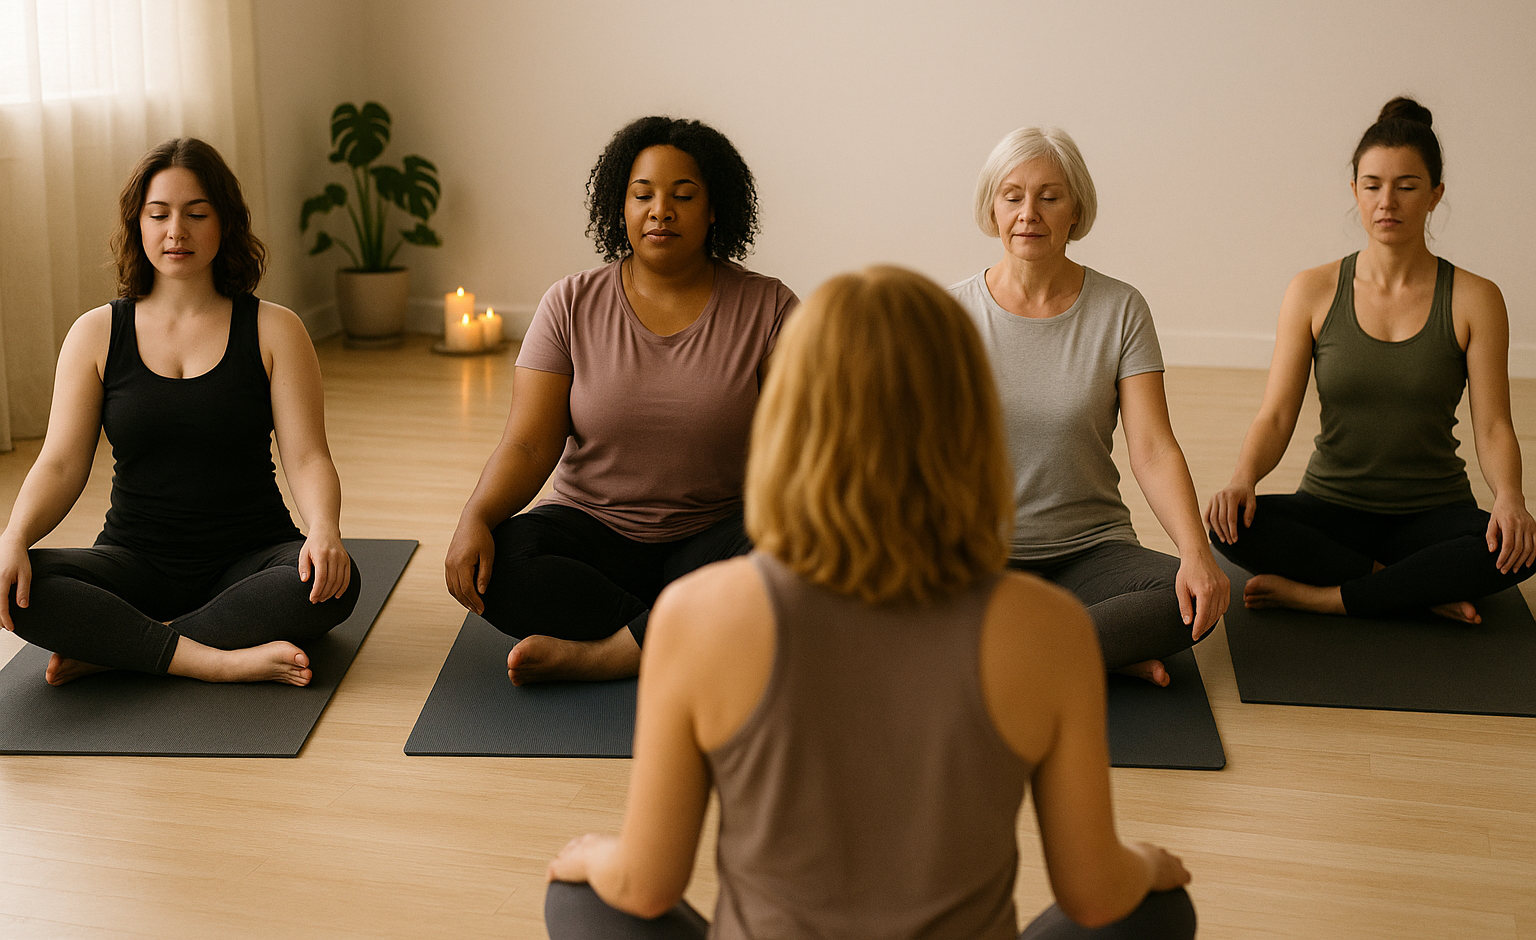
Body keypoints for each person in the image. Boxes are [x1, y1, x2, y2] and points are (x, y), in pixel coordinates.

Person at [542, 267, 1197, 940]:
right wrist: (1145, 863)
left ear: (790, 415)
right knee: (1160, 908)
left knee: (579, 900)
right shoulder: (1049, 628)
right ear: (969, 415)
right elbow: (1094, 897)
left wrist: (593, 856)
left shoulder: (696, 613)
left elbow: (646, 887)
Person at [445, 116, 797, 685]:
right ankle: (680, 633)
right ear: (621, 208)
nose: (661, 210)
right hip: (594, 538)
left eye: (684, 196)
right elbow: (530, 443)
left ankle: (611, 653)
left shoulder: (770, 308)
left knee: (801, 546)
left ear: (714, 211)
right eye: (643, 195)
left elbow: (801, 445)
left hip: (717, 535)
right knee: (501, 564)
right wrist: (475, 518)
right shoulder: (569, 302)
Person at [0, 138, 359, 686]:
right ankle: (215, 660)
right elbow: (60, 464)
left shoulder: (276, 329)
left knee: (335, 581)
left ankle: (122, 645)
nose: (176, 233)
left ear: (226, 223)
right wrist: (12, 538)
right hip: (133, 560)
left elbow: (308, 456)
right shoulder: (95, 333)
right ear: (136, 225)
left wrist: (325, 530)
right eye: (159, 214)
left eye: (197, 214)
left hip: (252, 554)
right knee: (13, 586)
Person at [1206, 97, 1536, 619]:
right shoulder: (1312, 290)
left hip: (1433, 512)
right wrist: (1242, 478)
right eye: (1372, 185)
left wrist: (1510, 498)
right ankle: (1410, 591)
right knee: (1228, 523)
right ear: (1354, 192)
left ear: (1435, 196)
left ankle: (1325, 596)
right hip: (1331, 507)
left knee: (1519, 547)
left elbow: (1494, 426)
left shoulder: (1476, 298)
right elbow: (1275, 414)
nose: (1388, 202)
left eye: (1407, 187)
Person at [950, 127, 1227, 686]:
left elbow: (1151, 447)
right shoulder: (948, 313)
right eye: (1013, 196)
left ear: (1076, 208)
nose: (1029, 212)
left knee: (1188, 602)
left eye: (1049, 197)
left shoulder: (1121, 308)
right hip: (983, 556)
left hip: (1091, 551)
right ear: (992, 207)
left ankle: (1017, 657)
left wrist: (1196, 552)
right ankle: (1092, 652)